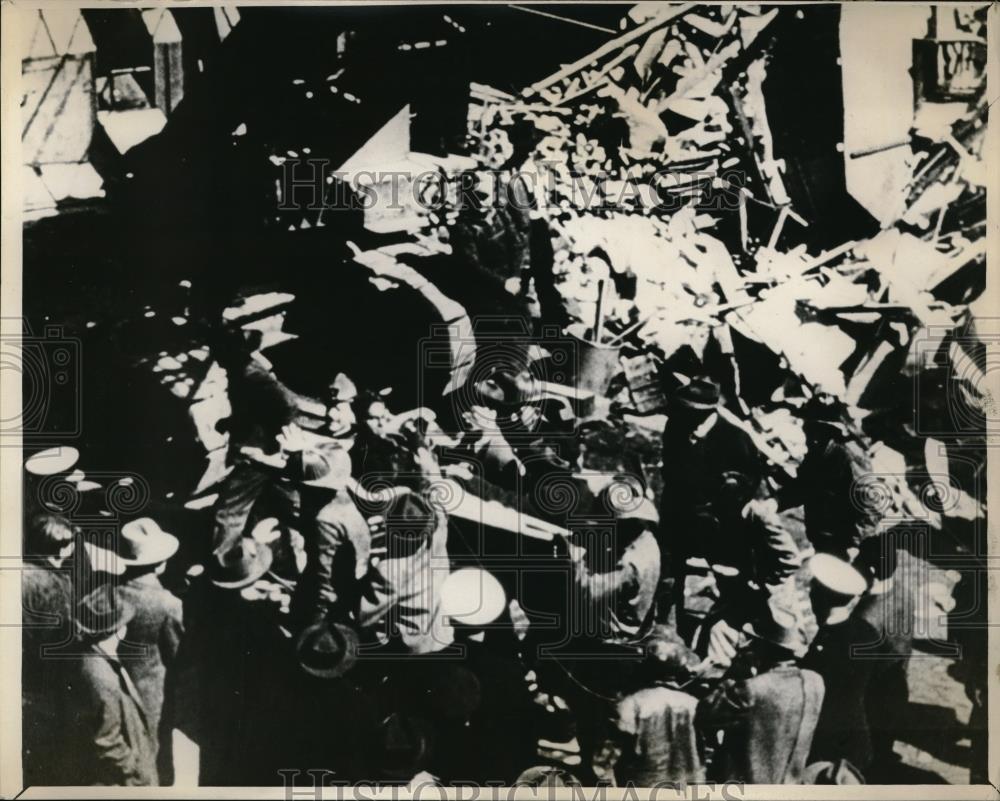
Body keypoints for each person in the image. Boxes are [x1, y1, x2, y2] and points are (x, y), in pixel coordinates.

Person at [658, 378, 763, 613]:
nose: (688, 418)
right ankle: (667, 614)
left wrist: (727, 496)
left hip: (716, 525)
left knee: (719, 581)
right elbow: (670, 463)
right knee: (670, 573)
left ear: (710, 412)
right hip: (678, 513)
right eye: (684, 411)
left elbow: (750, 482)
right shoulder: (676, 426)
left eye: (694, 413)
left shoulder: (736, 440)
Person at [696, 598, 824, 784]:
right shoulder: (815, 682)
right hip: (790, 785)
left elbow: (705, 715)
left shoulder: (751, 689)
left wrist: (731, 676)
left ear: (761, 647)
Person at [62, 585, 158, 786]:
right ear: (117, 630)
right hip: (121, 782)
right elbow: (108, 743)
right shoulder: (101, 677)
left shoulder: (92, 658)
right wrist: (138, 773)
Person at [114, 518, 184, 784]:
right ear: (161, 562)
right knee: (155, 748)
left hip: (117, 684)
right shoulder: (168, 603)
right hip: (153, 690)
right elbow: (178, 653)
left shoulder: (110, 591)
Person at [802, 553, 876, 773]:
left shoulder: (824, 648)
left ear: (820, 597)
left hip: (824, 744)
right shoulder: (867, 632)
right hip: (856, 735)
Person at [22, 514, 80, 785]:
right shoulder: (54, 584)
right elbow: (63, 636)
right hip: (48, 676)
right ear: (61, 547)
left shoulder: (20, 572)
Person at [783, 394, 876, 558]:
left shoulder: (850, 456)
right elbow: (804, 487)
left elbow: (870, 504)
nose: (811, 435)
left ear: (832, 430)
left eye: (818, 430)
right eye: (809, 428)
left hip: (846, 543)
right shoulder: (817, 453)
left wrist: (854, 543)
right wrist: (776, 501)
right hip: (823, 538)